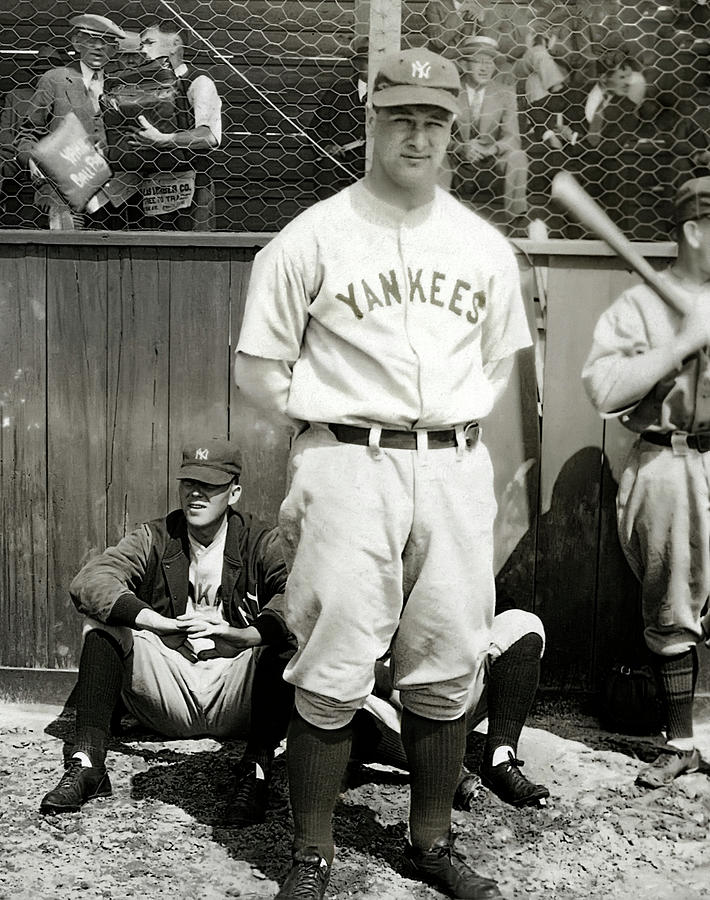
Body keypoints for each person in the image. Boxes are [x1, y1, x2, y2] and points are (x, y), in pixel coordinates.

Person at [235, 46, 532, 900]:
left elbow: (498, 369)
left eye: (433, 120)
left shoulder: (481, 245)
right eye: (400, 115)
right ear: (371, 118)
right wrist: (328, 427)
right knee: (333, 660)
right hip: (348, 463)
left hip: (453, 461)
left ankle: (430, 843)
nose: (416, 134)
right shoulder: (313, 234)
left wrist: (466, 453)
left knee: (447, 656)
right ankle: (313, 852)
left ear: (452, 133)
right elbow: (260, 368)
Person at [39, 438, 295, 827]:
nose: (196, 493)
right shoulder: (154, 537)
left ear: (234, 492)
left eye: (210, 485)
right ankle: (88, 763)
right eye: (189, 482)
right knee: (103, 623)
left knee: (283, 640)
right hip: (169, 684)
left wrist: (246, 636)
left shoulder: (261, 539)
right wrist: (157, 624)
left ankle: (256, 769)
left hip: (237, 688)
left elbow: (300, 596)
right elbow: (92, 581)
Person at [581, 176, 710, 789]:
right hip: (670, 461)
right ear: (694, 230)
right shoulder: (639, 306)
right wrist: (679, 346)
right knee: (673, 606)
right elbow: (603, 390)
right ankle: (681, 741)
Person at [351, 609, 549, 810]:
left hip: (445, 691)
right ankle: (445, 770)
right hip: (382, 710)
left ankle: (500, 758)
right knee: (332, 700)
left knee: (521, 622)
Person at [14, 14, 128, 230]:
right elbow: (27, 134)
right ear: (76, 43)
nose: (98, 47)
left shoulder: (122, 84)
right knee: (67, 254)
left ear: (114, 50)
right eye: (90, 40)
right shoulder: (55, 79)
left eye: (105, 42)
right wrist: (31, 160)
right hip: (63, 192)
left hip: (114, 195)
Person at [119, 21, 223, 231]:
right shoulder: (141, 84)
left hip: (191, 187)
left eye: (149, 42)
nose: (143, 50)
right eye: (142, 45)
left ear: (175, 43)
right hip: (150, 187)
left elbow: (209, 136)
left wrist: (165, 140)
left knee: (192, 253)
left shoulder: (198, 82)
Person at [450, 36, 528, 234]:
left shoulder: (505, 93)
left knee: (517, 156)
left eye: (490, 62)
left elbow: (513, 138)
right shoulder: (449, 92)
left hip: (491, 166)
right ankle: (431, 222)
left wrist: (492, 148)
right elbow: (436, 135)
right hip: (456, 165)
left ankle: (516, 224)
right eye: (478, 61)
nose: (485, 68)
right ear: (463, 63)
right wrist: (460, 148)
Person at [308, 36, 369, 198]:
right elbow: (315, 129)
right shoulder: (337, 93)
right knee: (325, 167)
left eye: (377, 61)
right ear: (356, 64)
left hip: (375, 166)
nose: (373, 66)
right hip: (340, 163)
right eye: (367, 61)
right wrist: (327, 146)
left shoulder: (389, 94)